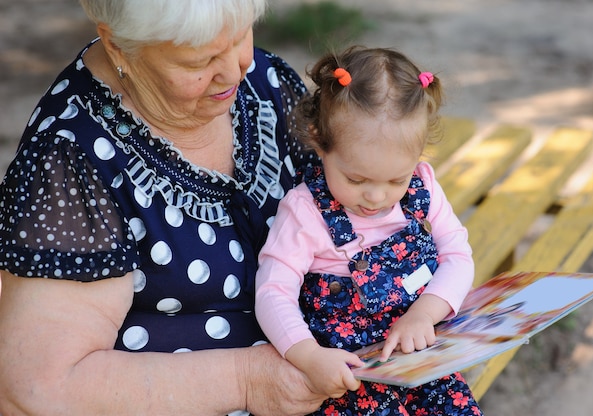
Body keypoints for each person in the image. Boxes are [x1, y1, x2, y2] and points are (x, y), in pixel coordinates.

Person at [0, 1, 329, 414]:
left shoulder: (264, 82)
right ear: (117, 46)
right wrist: (248, 382)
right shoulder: (70, 160)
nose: (235, 70)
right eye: (200, 60)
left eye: (240, 36)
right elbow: (36, 389)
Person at [255, 46, 484, 415]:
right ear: (319, 140)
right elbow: (272, 291)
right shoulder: (305, 212)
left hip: (418, 356)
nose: (376, 197)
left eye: (396, 178)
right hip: (348, 374)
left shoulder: (422, 190)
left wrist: (425, 313)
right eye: (356, 178)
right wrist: (309, 355)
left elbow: (457, 256)